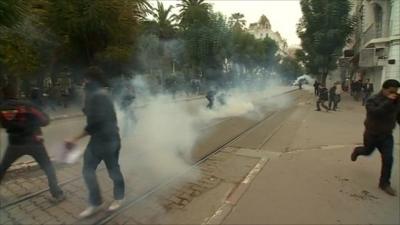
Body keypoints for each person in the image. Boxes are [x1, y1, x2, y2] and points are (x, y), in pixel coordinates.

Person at [66, 67, 125, 218]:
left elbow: (95, 123)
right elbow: (89, 113)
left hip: (109, 140)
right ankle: (96, 202)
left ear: (91, 80)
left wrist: (75, 138)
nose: (83, 82)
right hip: (97, 141)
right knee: (87, 170)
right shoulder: (93, 94)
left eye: (85, 79)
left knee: (113, 170)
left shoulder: (100, 95)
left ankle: (119, 198)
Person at [0, 84, 64, 202]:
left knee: (2, 168)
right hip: (34, 142)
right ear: (17, 93)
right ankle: (57, 194)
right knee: (48, 167)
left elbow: (3, 125)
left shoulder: (2, 108)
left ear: (4, 94)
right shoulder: (27, 106)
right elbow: (45, 120)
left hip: (14, 144)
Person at [351, 79, 400, 196]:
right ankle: (357, 151)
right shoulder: (373, 99)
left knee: (388, 159)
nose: (394, 94)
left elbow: (398, 116)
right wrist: (389, 101)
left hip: (387, 135)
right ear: (384, 89)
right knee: (367, 152)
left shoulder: (396, 101)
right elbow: (375, 113)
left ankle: (384, 184)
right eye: (391, 91)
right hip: (371, 134)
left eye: (396, 91)